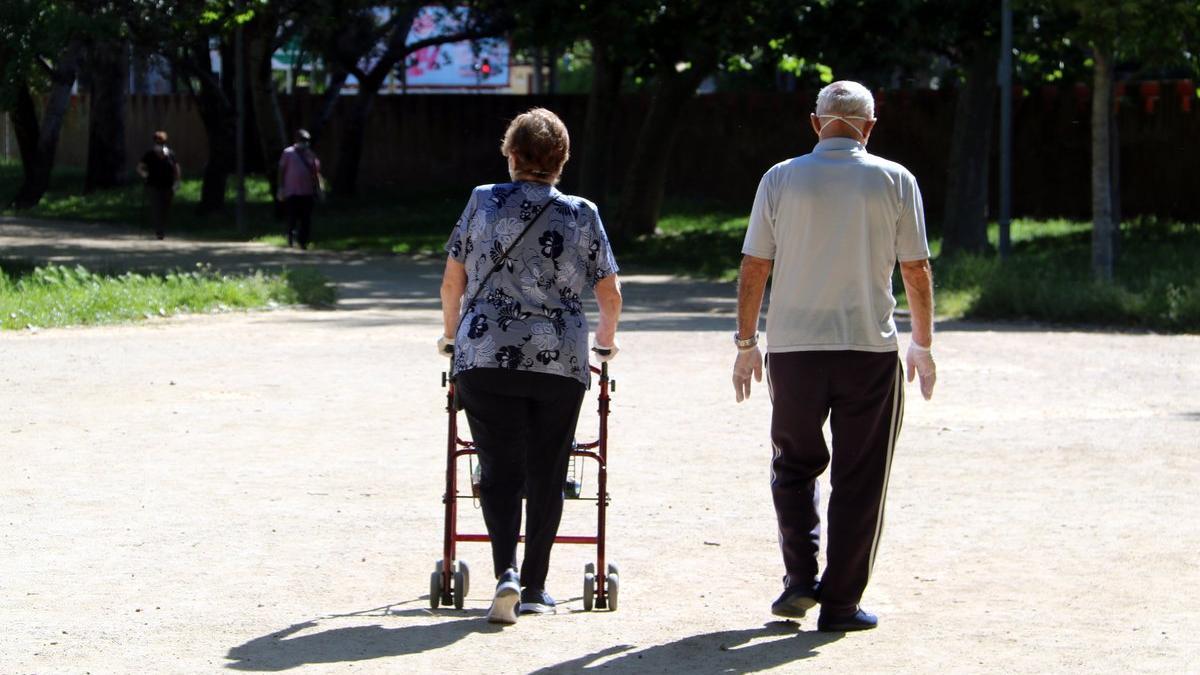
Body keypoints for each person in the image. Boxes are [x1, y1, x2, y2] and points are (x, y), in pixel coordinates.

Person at [732, 81, 937, 633]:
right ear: (869, 127)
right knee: (861, 475)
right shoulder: (896, 180)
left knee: (793, 464)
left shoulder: (780, 178)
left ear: (815, 122)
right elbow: (915, 269)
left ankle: (800, 578)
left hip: (796, 349)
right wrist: (922, 342)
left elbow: (755, 266)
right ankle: (841, 604)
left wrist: (746, 344)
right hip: (868, 350)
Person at [438, 108, 622, 625]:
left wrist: (451, 337)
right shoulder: (582, 213)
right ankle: (537, 586)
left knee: (498, 466)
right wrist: (604, 344)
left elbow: (452, 281)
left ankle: (506, 574)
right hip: (559, 362)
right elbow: (610, 293)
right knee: (547, 466)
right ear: (562, 160)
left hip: (485, 355)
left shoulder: (481, 201)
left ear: (511, 155)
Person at [277, 129, 322, 249]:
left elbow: (315, 173)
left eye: (307, 140)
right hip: (291, 191)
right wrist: (281, 187)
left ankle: (303, 241)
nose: (305, 142)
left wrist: (318, 189)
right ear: (297, 140)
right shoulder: (288, 153)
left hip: (307, 192)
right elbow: (281, 170)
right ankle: (290, 237)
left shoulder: (310, 154)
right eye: (303, 140)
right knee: (292, 216)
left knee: (306, 218)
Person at [136, 131, 181, 240]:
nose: (160, 143)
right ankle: (159, 231)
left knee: (165, 208)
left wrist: (177, 181)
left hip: (168, 185)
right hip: (153, 185)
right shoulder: (150, 154)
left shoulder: (170, 153)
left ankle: (162, 228)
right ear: (154, 141)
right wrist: (144, 174)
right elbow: (139, 167)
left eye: (162, 141)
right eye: (158, 140)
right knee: (156, 208)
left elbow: (176, 167)